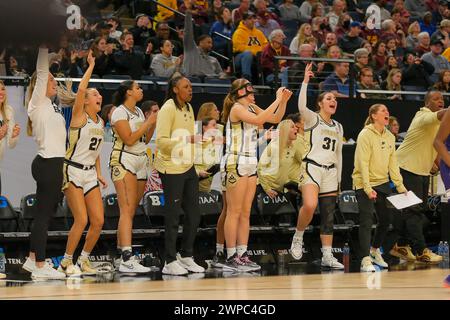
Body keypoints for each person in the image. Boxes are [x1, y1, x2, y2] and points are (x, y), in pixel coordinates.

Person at [221, 79, 291, 271]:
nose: (253, 95)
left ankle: (242, 253)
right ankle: (230, 256)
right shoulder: (236, 108)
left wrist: (283, 100)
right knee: (233, 211)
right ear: (239, 94)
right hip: (236, 161)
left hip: (251, 161)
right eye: (249, 92)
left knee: (245, 212)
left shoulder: (251, 107)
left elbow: (275, 119)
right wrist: (276, 99)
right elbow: (261, 121)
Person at [58, 51, 108, 276]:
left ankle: (83, 261)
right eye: (94, 94)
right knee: (82, 218)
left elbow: (95, 151)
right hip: (72, 170)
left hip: (89, 173)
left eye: (99, 94)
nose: (99, 97)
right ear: (86, 100)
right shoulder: (79, 116)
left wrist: (98, 173)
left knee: (98, 221)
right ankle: (66, 261)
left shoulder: (101, 121)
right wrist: (90, 66)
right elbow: (80, 90)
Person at [290, 63, 344, 269]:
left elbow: (339, 154)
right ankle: (298, 236)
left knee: (328, 216)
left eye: (334, 99)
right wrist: (305, 81)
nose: (333, 101)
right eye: (328, 99)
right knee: (310, 205)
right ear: (320, 104)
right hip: (312, 167)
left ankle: (327, 256)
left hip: (331, 171)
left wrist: (338, 180)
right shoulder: (313, 119)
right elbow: (301, 107)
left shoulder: (338, 126)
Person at [22, 47, 67, 280]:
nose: (54, 81)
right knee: (43, 217)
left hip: (51, 162)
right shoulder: (37, 101)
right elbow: (41, 70)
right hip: (48, 163)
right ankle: (40, 266)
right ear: (39, 83)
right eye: (50, 79)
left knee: (42, 214)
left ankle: (32, 259)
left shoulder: (51, 104)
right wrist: (43, 46)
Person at [154, 75, 206, 275]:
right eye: (186, 86)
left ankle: (186, 256)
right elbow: (161, 142)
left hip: (188, 167)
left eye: (191, 86)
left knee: (194, 215)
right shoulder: (168, 108)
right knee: (173, 215)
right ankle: (169, 260)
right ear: (175, 89)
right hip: (171, 167)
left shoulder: (189, 108)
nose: (190, 89)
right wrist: (188, 138)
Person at [390, 91, 446, 263]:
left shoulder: (437, 125)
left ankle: (401, 245)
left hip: (421, 172)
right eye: (436, 99)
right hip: (405, 168)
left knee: (417, 213)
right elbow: (442, 114)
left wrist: (436, 165)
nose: (440, 101)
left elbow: (435, 146)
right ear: (427, 103)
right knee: (414, 211)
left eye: (442, 99)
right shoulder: (423, 115)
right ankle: (421, 251)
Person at [352, 104, 408, 272]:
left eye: (387, 110)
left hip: (382, 182)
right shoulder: (365, 135)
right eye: (383, 110)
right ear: (374, 116)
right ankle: (365, 259)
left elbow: (393, 164)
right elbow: (362, 163)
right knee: (367, 220)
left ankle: (375, 251)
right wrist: (368, 188)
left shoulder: (390, 136)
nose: (387, 112)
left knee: (386, 220)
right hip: (363, 183)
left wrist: (400, 186)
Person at [110, 80, 157, 273]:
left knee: (131, 210)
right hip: (124, 160)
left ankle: (121, 253)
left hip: (140, 159)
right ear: (128, 92)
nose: (141, 90)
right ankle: (127, 257)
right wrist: (148, 122)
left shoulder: (138, 111)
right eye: (137, 88)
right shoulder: (119, 112)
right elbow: (129, 139)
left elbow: (145, 138)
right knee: (126, 209)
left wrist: (152, 122)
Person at [257, 119, 304, 198]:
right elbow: (260, 169)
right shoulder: (274, 147)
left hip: (280, 190)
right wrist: (267, 189)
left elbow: (285, 169)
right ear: (285, 131)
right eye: (292, 127)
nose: (296, 128)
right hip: (265, 190)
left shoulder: (292, 148)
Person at [0, 80, 20, 194]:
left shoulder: (8, 111)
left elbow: (10, 145)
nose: (1, 92)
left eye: (3, 89)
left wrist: (13, 136)